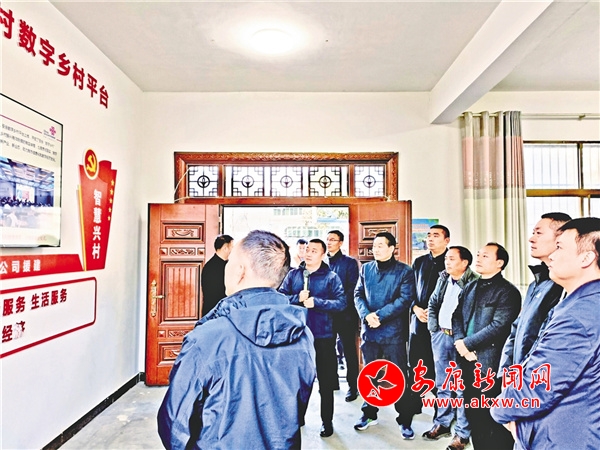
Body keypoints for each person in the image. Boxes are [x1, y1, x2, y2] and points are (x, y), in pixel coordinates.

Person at [157, 230, 316, 450]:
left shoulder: (206, 339)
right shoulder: (302, 334)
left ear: (240, 271)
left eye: (230, 261)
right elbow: (299, 405)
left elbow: (174, 426)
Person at [491, 217, 600, 449]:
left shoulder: (579, 316)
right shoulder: (579, 302)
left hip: (563, 437)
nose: (552, 256)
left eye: (559, 247)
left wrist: (501, 410)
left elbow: (539, 386)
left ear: (586, 258)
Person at [451, 242, 521, 450]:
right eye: (479, 254)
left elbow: (499, 326)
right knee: (473, 412)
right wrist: (460, 343)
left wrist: (467, 344)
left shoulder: (508, 291)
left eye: (485, 256)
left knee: (492, 415)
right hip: (465, 359)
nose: (479, 259)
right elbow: (456, 316)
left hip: (489, 362)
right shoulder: (470, 286)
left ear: (500, 263)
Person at [279, 238, 346, 438]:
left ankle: (327, 421)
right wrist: (296, 298)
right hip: (296, 336)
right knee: (296, 382)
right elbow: (280, 298)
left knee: (325, 383)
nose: (308, 253)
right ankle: (297, 418)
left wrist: (317, 302)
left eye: (314, 250)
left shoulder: (331, 277)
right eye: (307, 249)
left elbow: (341, 303)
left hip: (323, 336)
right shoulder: (293, 275)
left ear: (323, 254)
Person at [353, 232, 418, 440]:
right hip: (370, 331)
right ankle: (369, 413)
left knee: (399, 375)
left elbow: (405, 299)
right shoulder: (366, 269)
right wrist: (366, 315)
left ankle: (404, 418)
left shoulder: (405, 271)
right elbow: (358, 294)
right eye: (374, 245)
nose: (376, 249)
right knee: (370, 375)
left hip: (393, 333)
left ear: (392, 248)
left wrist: (379, 316)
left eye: (381, 245)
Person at [499, 212, 571, 372]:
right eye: (533, 233)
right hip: (520, 375)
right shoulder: (535, 284)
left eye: (539, 233)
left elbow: (547, 340)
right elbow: (516, 330)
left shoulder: (564, 285)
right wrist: (506, 371)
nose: (531, 239)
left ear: (561, 239)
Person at [426, 246, 479, 450]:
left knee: (461, 387)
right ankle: (442, 423)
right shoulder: (443, 278)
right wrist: (434, 329)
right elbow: (433, 303)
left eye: (452, 259)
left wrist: (466, 341)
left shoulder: (474, 282)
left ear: (465, 263)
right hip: (441, 336)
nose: (447, 262)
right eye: (446, 259)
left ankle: (462, 433)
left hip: (461, 341)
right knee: (442, 384)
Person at [409, 225, 451, 414]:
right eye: (428, 235)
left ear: (446, 240)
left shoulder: (451, 262)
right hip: (419, 321)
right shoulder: (419, 262)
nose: (430, 239)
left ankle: (440, 411)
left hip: (441, 326)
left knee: (439, 366)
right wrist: (415, 308)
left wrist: (435, 312)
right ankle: (414, 404)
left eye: (436, 235)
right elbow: (410, 291)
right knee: (417, 363)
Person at [326, 230, 360, 402]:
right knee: (327, 349)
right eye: (328, 239)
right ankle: (332, 382)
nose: (329, 242)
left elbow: (353, 288)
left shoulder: (349, 263)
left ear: (340, 243)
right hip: (326, 314)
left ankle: (353, 386)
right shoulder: (322, 262)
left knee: (349, 350)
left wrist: (338, 304)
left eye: (333, 239)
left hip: (345, 314)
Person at [200, 234, 234, 316]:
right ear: (225, 248)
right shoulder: (212, 267)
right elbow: (216, 294)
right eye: (232, 247)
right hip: (214, 312)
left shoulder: (225, 264)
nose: (233, 250)